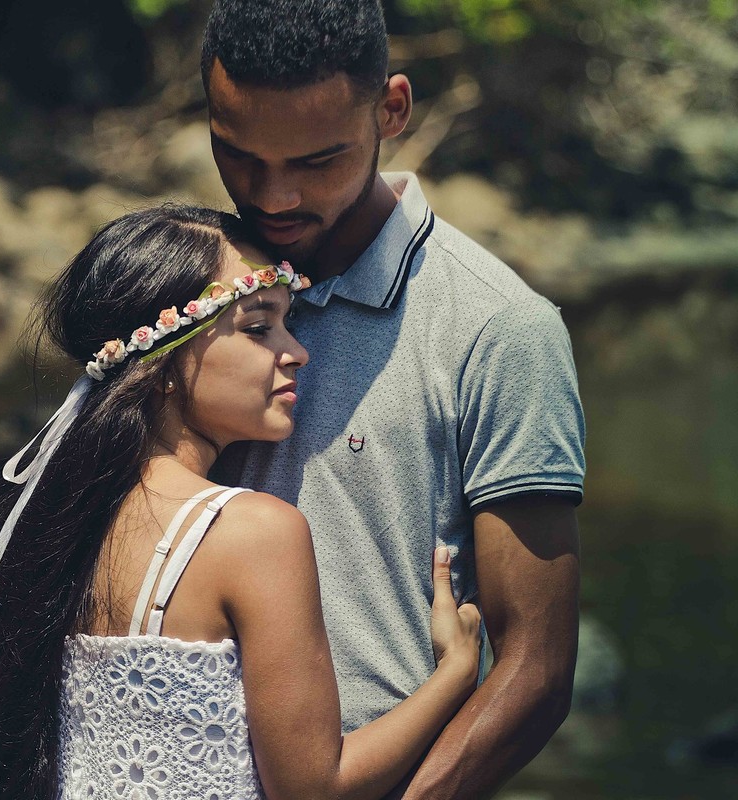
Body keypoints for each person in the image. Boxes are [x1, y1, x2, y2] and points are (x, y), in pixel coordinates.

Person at [0, 204, 482, 799]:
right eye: (258, 328)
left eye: (287, 324)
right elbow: (314, 790)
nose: (297, 352)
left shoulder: (54, 518)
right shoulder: (251, 532)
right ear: (165, 363)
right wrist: (456, 675)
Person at [201, 1, 587, 797]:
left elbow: (536, 668)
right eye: (237, 155)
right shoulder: (187, 292)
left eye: (315, 162)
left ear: (393, 110)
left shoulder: (500, 330)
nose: (271, 198)